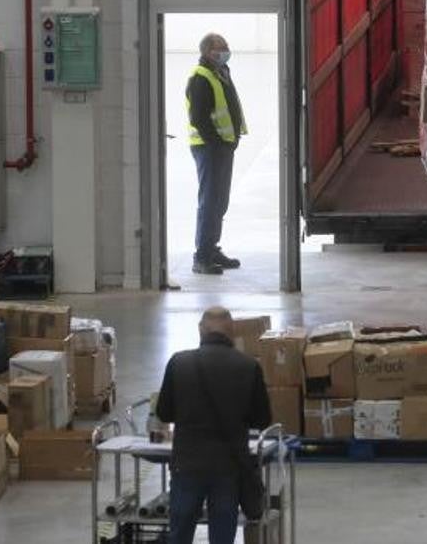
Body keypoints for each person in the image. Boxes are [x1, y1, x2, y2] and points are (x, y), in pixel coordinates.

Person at [156, 307, 272, 544]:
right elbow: (262, 420)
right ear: (232, 332)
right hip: (227, 466)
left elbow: (164, 413)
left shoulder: (179, 362)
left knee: (180, 531)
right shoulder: (248, 366)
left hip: (187, 464)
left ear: (201, 329)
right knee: (222, 534)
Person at [187, 34, 247, 275]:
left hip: (223, 147)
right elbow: (199, 118)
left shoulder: (221, 73)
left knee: (220, 201)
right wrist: (217, 144)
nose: (225, 51)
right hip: (209, 148)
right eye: (220, 48)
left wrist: (231, 141)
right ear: (207, 51)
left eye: (226, 47)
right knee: (209, 201)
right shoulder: (200, 78)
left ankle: (212, 249)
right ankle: (201, 257)